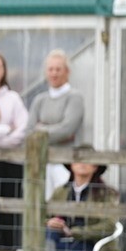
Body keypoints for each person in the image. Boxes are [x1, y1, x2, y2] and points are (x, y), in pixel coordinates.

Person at [27, 49, 86, 195]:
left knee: (63, 202)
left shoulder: (75, 97)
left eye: (58, 69)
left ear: (67, 71)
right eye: (51, 69)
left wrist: (41, 129)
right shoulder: (39, 100)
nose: (54, 73)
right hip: (41, 162)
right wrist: (55, 131)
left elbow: (67, 129)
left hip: (65, 163)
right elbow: (29, 131)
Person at [0, 52, 29, 250]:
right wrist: (6, 129)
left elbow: (22, 130)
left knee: (9, 215)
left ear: (3, 71)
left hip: (10, 165)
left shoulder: (13, 99)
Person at [45, 157, 119, 251]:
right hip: (60, 240)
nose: (82, 163)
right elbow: (43, 215)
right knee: (50, 234)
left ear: (95, 167)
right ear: (71, 165)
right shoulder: (61, 191)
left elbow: (109, 225)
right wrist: (50, 222)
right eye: (78, 159)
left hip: (91, 244)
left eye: (88, 160)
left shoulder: (106, 194)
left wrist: (74, 232)